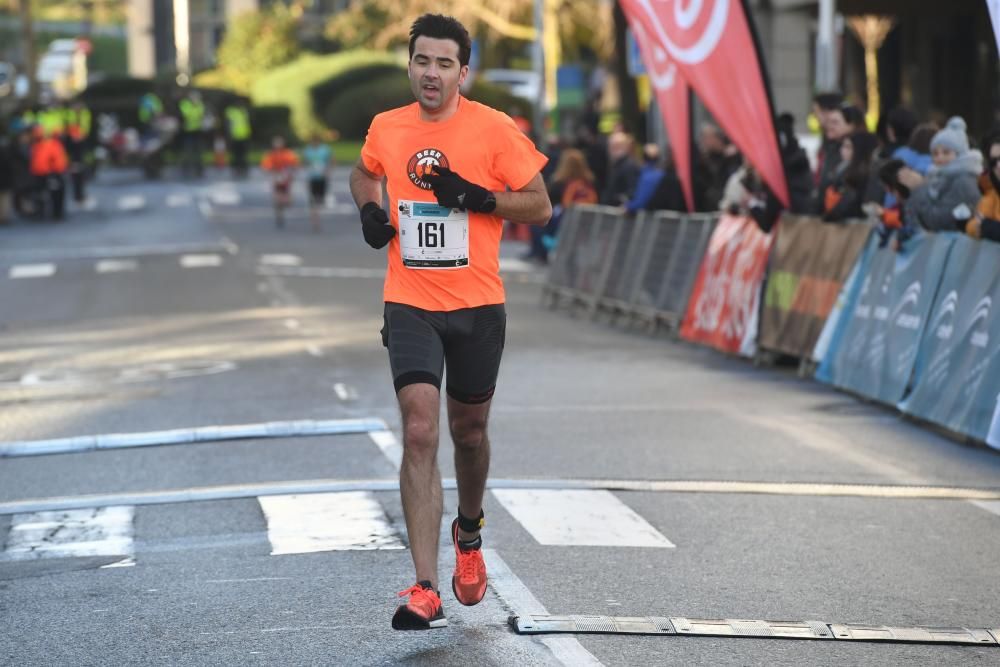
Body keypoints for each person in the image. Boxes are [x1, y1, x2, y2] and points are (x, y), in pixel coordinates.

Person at [349, 13, 550, 631]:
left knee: (467, 433)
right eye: (421, 61)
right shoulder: (388, 126)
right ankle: (424, 586)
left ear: (464, 71)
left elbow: (540, 205)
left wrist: (477, 196)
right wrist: (370, 211)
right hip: (409, 300)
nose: (431, 73)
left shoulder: (493, 128)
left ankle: (469, 530)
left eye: (444, 63)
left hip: (477, 306)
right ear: (408, 65)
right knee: (417, 430)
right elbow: (364, 172)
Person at [903, 117, 983, 233]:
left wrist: (920, 188)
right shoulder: (937, 178)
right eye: (935, 153)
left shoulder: (963, 181)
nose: (940, 158)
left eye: (946, 152)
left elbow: (938, 221)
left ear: (959, 154)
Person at [525, 147, 597, 263]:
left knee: (537, 226)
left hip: (560, 218)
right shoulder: (588, 181)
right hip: (583, 220)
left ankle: (541, 254)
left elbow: (547, 197)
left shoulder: (559, 181)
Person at [822, 131, 878, 222]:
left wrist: (831, 216)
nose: (842, 150)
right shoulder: (842, 169)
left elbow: (847, 202)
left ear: (860, 150)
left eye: (848, 147)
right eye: (843, 146)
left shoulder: (862, 174)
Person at [958, 132, 1000, 243]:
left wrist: (991, 229)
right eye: (994, 161)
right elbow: (975, 225)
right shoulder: (991, 193)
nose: (998, 166)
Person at [29, 126, 69, 220]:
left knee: (56, 194)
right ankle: (41, 213)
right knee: (41, 195)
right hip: (40, 174)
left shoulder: (51, 144)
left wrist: (54, 172)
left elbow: (58, 160)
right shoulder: (36, 145)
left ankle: (57, 213)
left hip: (51, 173)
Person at [261, 136, 299, 228]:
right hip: (276, 177)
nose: (278, 146)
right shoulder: (271, 154)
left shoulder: (288, 153)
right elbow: (266, 165)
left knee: (286, 197)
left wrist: (290, 172)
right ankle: (279, 212)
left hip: (285, 177)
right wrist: (271, 170)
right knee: (277, 196)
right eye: (276, 144)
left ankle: (285, 202)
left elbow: (294, 163)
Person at [302, 134, 333, 233]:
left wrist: (327, 171)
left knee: (320, 199)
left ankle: (316, 210)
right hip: (312, 177)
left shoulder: (324, 150)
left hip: (322, 177)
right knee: (313, 200)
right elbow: (305, 162)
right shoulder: (308, 151)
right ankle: (315, 220)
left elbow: (331, 160)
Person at [601, 130, 639, 206]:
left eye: (612, 146)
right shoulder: (617, 165)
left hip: (619, 213)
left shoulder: (628, 166)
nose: (609, 150)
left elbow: (632, 191)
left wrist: (616, 199)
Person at [625, 144, 666, 214]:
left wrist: (627, 206)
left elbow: (640, 202)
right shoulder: (662, 174)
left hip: (646, 220)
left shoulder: (646, 176)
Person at [178, 91, 206, 178]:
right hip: (187, 132)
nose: (196, 99)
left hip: (197, 131)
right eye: (194, 97)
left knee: (198, 151)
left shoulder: (200, 105)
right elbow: (186, 115)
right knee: (187, 150)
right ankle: (185, 168)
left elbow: (202, 115)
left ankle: (199, 169)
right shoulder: (185, 104)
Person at [225, 101, 252, 178]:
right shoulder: (231, 112)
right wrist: (229, 135)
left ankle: (243, 168)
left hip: (244, 136)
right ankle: (236, 169)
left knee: (243, 154)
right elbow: (228, 124)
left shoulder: (244, 112)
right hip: (235, 136)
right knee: (236, 154)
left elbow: (246, 123)